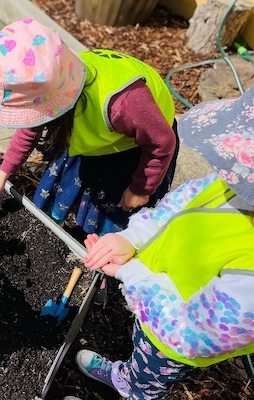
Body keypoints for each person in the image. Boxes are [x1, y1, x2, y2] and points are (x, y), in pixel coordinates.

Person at [72, 86, 254, 399]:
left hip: (172, 337)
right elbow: (175, 206)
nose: (231, 169)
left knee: (148, 376)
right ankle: (126, 374)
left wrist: (131, 274)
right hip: (152, 298)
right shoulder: (236, 178)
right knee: (141, 346)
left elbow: (188, 334)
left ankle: (131, 387)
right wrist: (131, 238)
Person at [0, 18, 179, 235]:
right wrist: (4, 174)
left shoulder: (123, 103)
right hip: (96, 134)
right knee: (67, 189)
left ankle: (98, 242)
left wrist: (141, 189)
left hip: (133, 148)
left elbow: (162, 142)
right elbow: (29, 130)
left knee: (113, 208)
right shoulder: (56, 77)